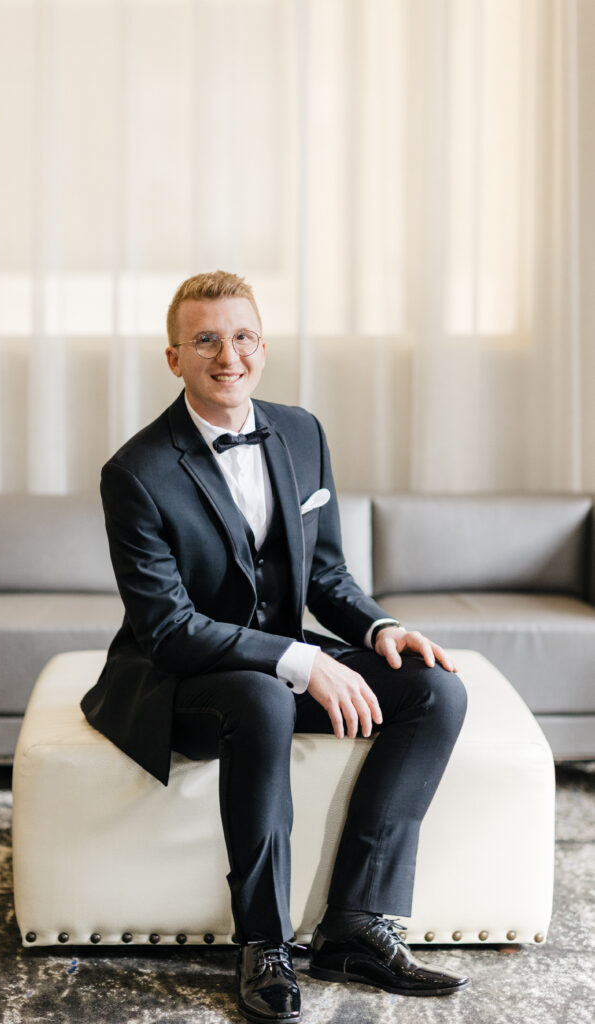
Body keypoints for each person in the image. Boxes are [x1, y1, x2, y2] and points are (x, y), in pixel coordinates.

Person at [81, 270, 470, 1023]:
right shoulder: (135, 472)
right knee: (263, 695)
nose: (228, 356)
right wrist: (301, 661)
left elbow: (325, 575)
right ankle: (263, 946)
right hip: (180, 675)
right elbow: (167, 627)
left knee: (433, 687)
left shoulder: (300, 431)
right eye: (205, 340)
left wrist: (378, 629)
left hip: (279, 658)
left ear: (262, 346)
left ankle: (356, 922)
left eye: (243, 336)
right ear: (173, 358)